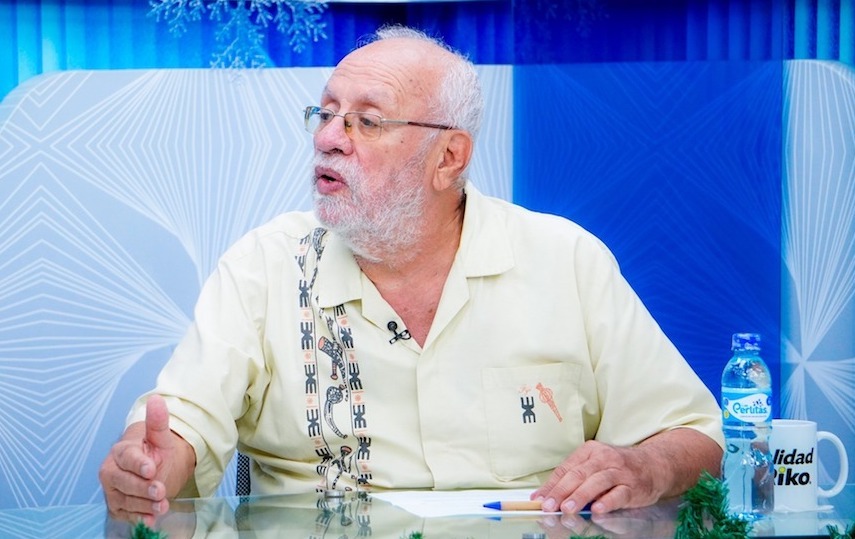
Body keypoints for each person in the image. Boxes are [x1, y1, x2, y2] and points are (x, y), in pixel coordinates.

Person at [99, 25, 724, 525]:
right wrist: (150, 466)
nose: (329, 138)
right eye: (326, 113)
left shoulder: (566, 260)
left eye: (367, 121)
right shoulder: (263, 266)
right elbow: (182, 424)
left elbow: (695, 435)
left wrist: (648, 468)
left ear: (448, 157)